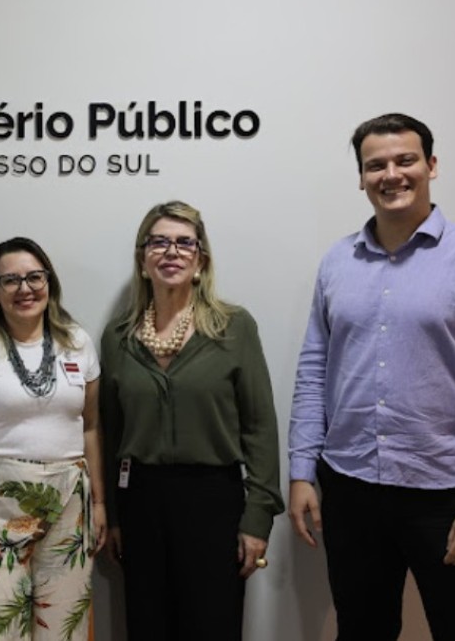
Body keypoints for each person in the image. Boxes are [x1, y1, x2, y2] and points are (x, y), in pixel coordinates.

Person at [289, 113, 455, 640]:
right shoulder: (337, 262)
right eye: (375, 165)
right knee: (361, 630)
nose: (391, 175)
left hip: (449, 491)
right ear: (361, 177)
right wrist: (301, 471)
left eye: (405, 160)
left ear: (431, 165)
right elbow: (314, 371)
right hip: (350, 485)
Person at [100, 200, 282, 641]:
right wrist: (116, 516)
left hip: (213, 502)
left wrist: (258, 518)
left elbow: (260, 428)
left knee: (212, 626)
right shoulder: (118, 337)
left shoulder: (234, 328)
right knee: (148, 626)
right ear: (143, 259)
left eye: (185, 243)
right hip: (141, 502)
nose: (172, 252)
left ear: (201, 260)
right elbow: (110, 433)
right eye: (159, 242)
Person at [0, 236, 106, 641]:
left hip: (71, 506)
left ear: (49, 282)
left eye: (35, 277)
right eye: (10, 280)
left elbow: (89, 427)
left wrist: (100, 504)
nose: (25, 288)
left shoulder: (77, 342)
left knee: (64, 631)